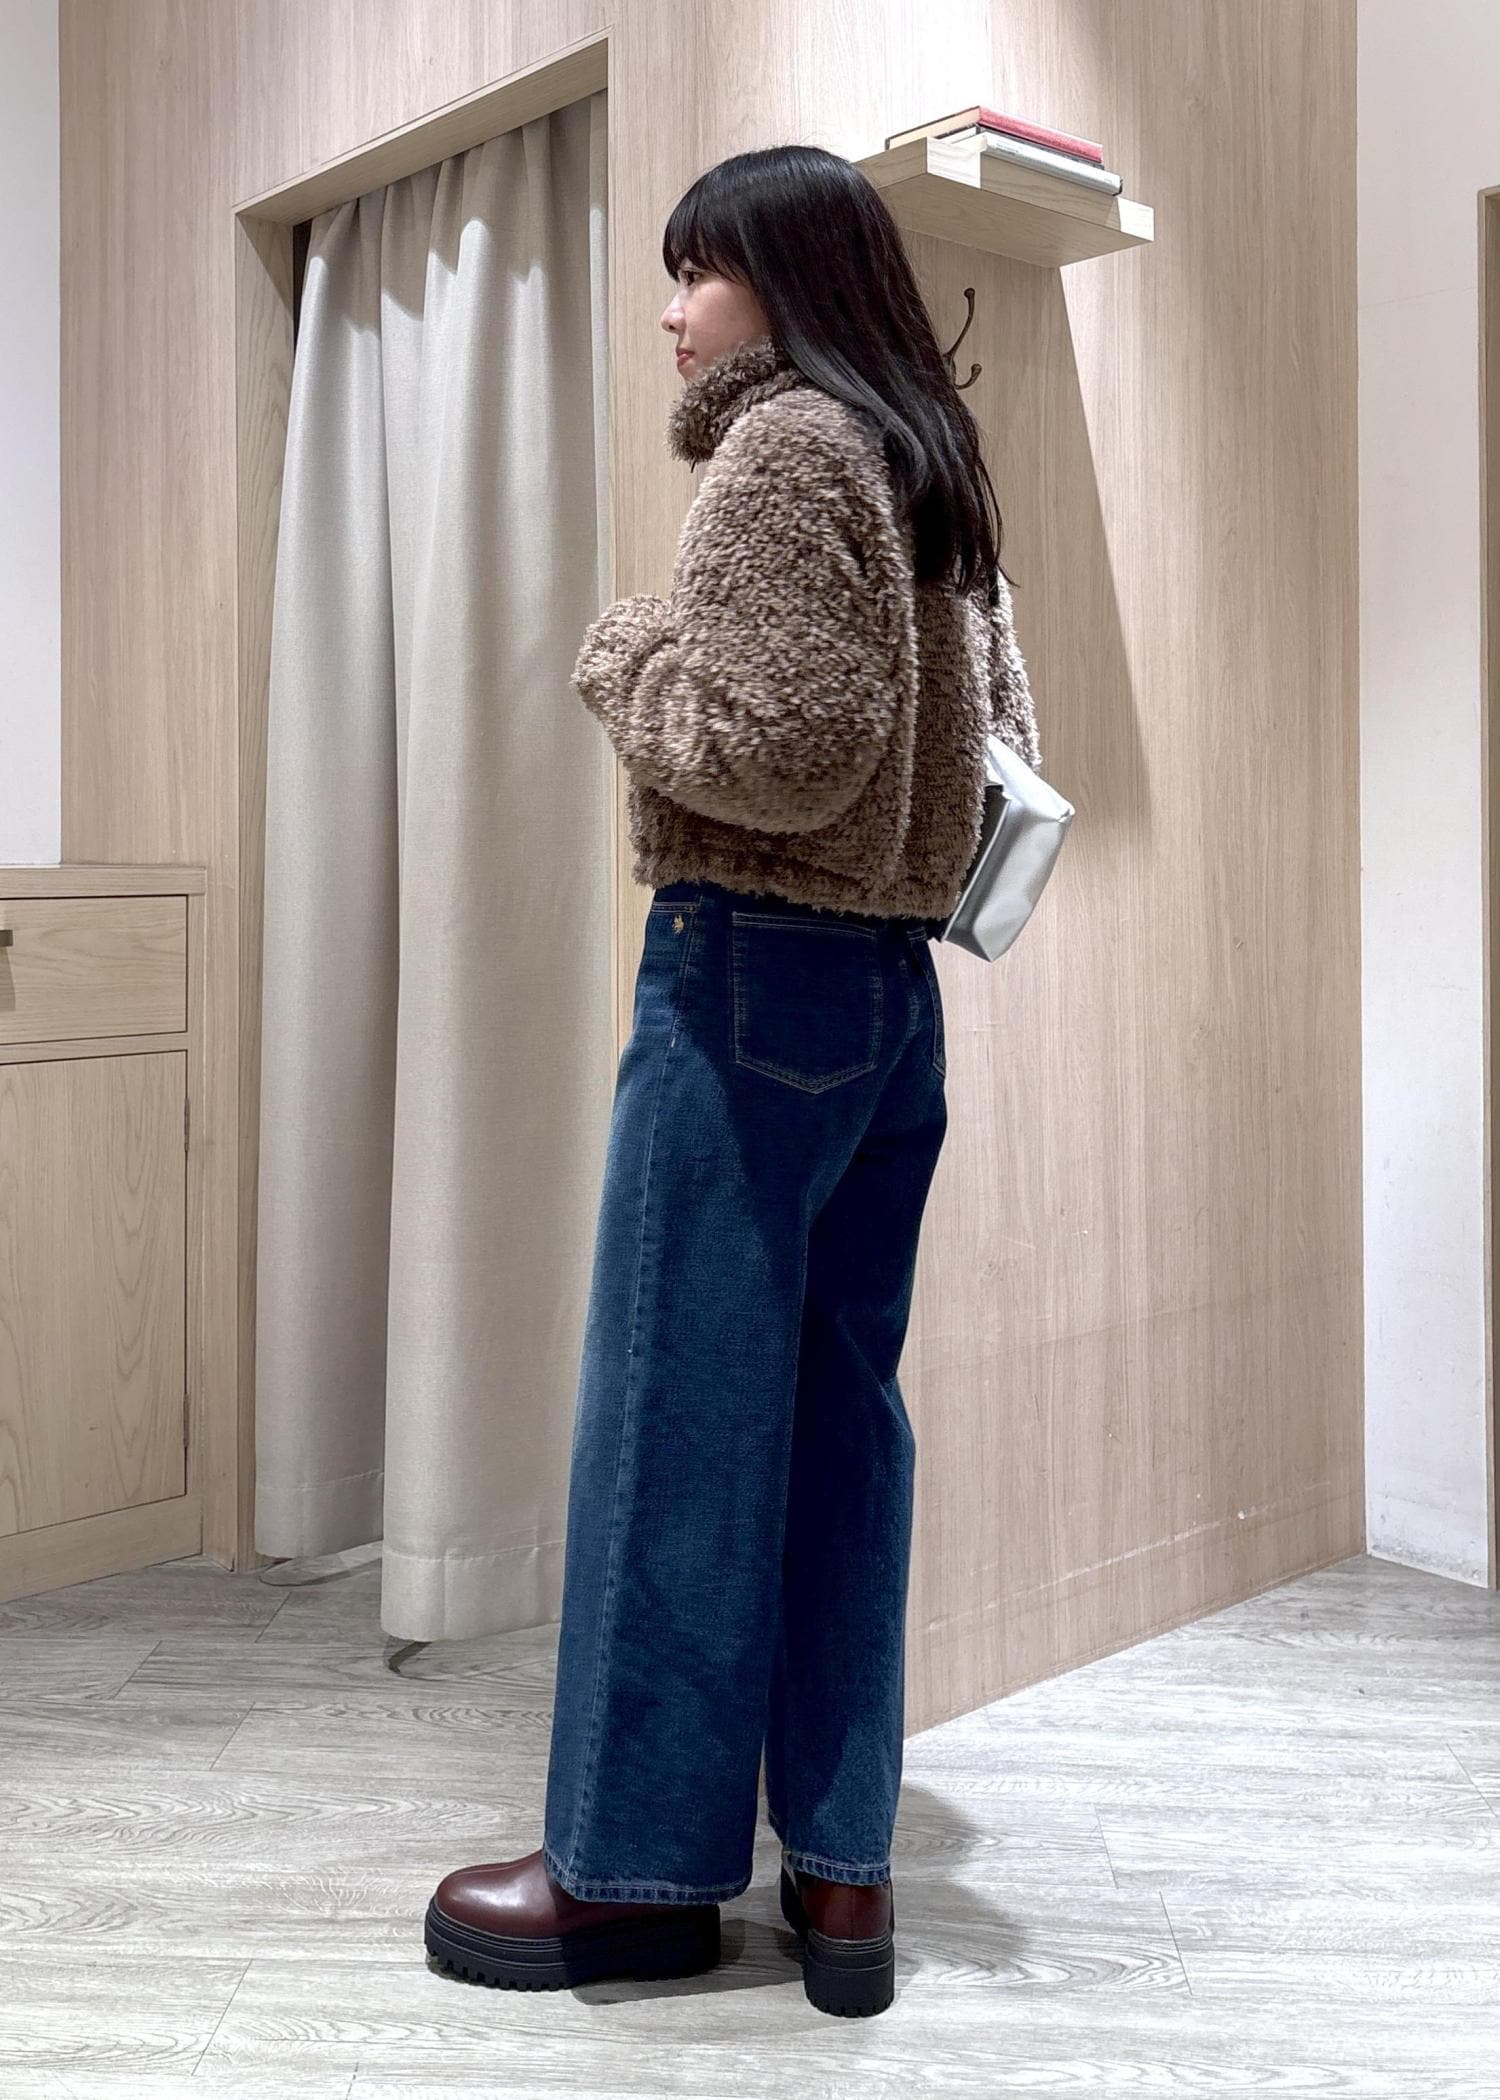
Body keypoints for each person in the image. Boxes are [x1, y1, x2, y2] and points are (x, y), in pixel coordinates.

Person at [424, 142, 1042, 2018]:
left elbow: (777, 742)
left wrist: (623, 652)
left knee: (676, 1423)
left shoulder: (783, 444)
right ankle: (842, 1878)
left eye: (695, 272)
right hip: (891, 1003)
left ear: (784, 280)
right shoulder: (934, 464)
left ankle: (629, 1879)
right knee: (843, 1427)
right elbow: (1004, 749)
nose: (672, 313)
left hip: (751, 973)